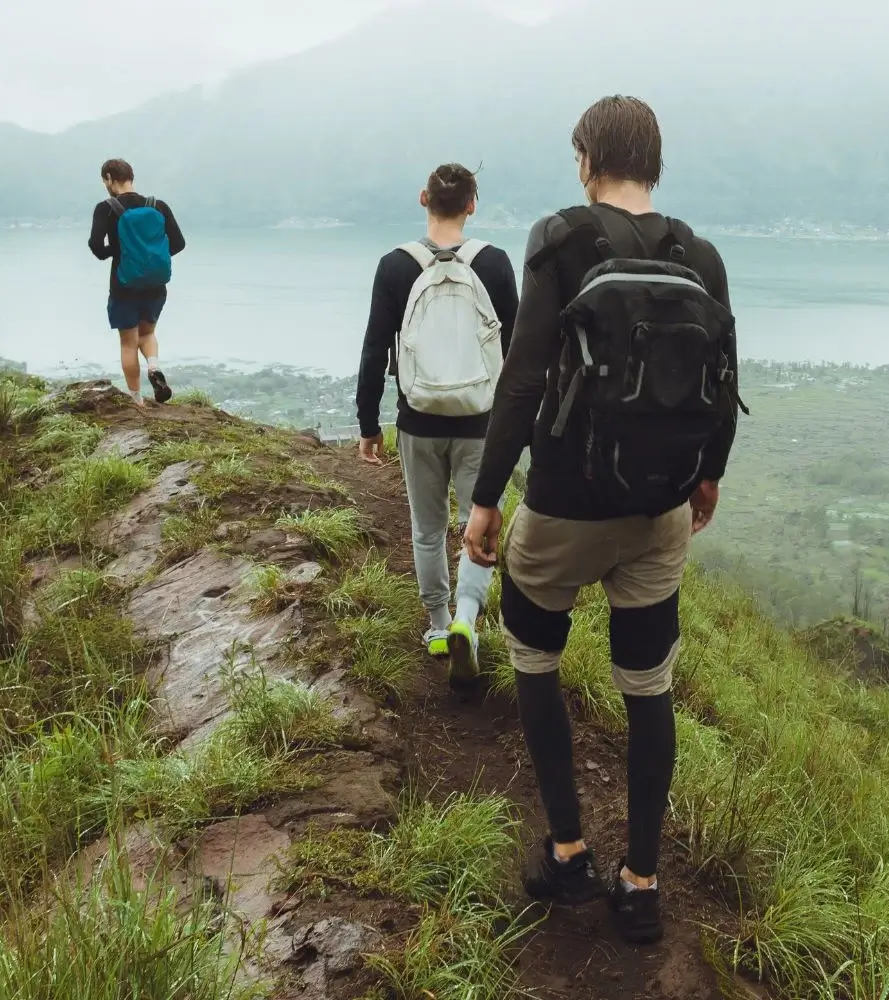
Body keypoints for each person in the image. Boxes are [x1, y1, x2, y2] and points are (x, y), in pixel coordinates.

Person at [463, 96, 744, 944]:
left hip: (565, 504)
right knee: (647, 686)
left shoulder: (561, 239)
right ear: (652, 162)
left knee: (535, 655)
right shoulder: (700, 253)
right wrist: (708, 478)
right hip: (660, 508)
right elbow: (725, 377)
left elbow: (521, 380)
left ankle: (570, 850)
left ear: (588, 159)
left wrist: (485, 499)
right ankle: (642, 882)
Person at [356, 163, 519, 687]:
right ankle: (466, 621)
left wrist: (367, 422)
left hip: (418, 421)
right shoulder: (493, 264)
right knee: (482, 524)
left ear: (424, 198)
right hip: (481, 424)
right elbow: (516, 354)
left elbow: (375, 346)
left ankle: (435, 624)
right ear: (473, 203)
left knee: (427, 529)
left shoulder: (394, 266)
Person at [88, 158, 185, 407]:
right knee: (148, 333)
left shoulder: (106, 208)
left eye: (105, 181)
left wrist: (119, 252)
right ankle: (154, 367)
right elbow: (178, 244)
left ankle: (137, 401)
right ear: (131, 177)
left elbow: (97, 248)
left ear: (109, 179)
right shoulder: (158, 206)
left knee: (128, 343)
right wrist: (151, 257)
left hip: (124, 286)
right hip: (155, 285)